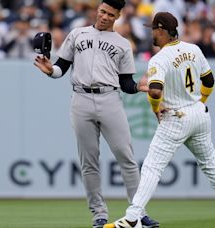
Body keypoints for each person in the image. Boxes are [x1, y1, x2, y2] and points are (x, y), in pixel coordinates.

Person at [105, 12, 215, 228]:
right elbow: (209, 81)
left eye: (153, 29)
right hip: (199, 114)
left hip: (176, 117)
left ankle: (133, 218)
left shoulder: (159, 59)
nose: (151, 32)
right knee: (212, 167)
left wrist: (155, 109)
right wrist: (200, 101)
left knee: (152, 167)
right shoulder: (194, 49)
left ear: (161, 30)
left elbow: (154, 92)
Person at [33, 0, 159, 228]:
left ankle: (138, 212)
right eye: (102, 11)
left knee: (126, 157)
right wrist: (50, 70)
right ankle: (98, 214)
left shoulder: (122, 44)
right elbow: (61, 67)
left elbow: (126, 82)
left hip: (109, 98)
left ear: (118, 16)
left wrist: (138, 87)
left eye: (110, 14)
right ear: (97, 10)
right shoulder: (77, 34)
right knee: (89, 161)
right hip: (80, 98)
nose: (104, 17)